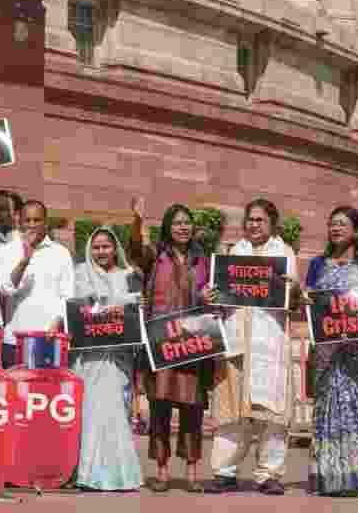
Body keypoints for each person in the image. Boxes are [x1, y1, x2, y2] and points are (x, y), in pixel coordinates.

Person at [206, 199, 298, 496]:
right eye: (249, 220)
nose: (253, 225)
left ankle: (269, 474)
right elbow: (222, 296)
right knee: (231, 412)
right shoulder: (235, 252)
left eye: (259, 220)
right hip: (236, 341)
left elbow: (294, 298)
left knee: (273, 413)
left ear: (272, 223)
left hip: (270, 343)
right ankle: (225, 472)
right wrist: (211, 295)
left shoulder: (284, 254)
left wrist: (292, 289)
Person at [127, 197, 217, 493]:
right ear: (167, 227)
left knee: (193, 410)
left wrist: (208, 298)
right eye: (177, 222)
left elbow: (210, 292)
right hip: (162, 343)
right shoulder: (155, 255)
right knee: (160, 409)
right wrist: (139, 221)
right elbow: (135, 251)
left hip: (193, 343)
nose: (183, 227)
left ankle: (192, 473)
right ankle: (163, 472)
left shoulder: (202, 259)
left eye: (187, 222)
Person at [301, 206, 358, 497]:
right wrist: (302, 299)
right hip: (326, 350)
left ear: (356, 230)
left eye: (342, 224)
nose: (335, 229)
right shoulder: (318, 265)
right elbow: (309, 302)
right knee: (327, 408)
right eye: (331, 224)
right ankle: (330, 478)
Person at [70, 226, 143, 492]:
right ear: (90, 250)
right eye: (96, 247)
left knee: (116, 413)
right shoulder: (81, 274)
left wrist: (132, 303)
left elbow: (136, 310)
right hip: (90, 357)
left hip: (118, 356)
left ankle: (119, 476)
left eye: (106, 246)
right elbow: (81, 306)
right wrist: (123, 302)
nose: (101, 252)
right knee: (91, 414)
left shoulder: (128, 275)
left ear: (115, 249)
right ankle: (88, 475)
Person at [0, 200, 74, 367]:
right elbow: (5, 289)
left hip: (50, 338)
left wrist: (58, 321)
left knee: (47, 391)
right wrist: (24, 260)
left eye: (36, 220)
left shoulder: (61, 253)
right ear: (19, 222)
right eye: (27, 220)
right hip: (15, 340)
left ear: (45, 222)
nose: (31, 225)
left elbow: (67, 296)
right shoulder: (7, 251)